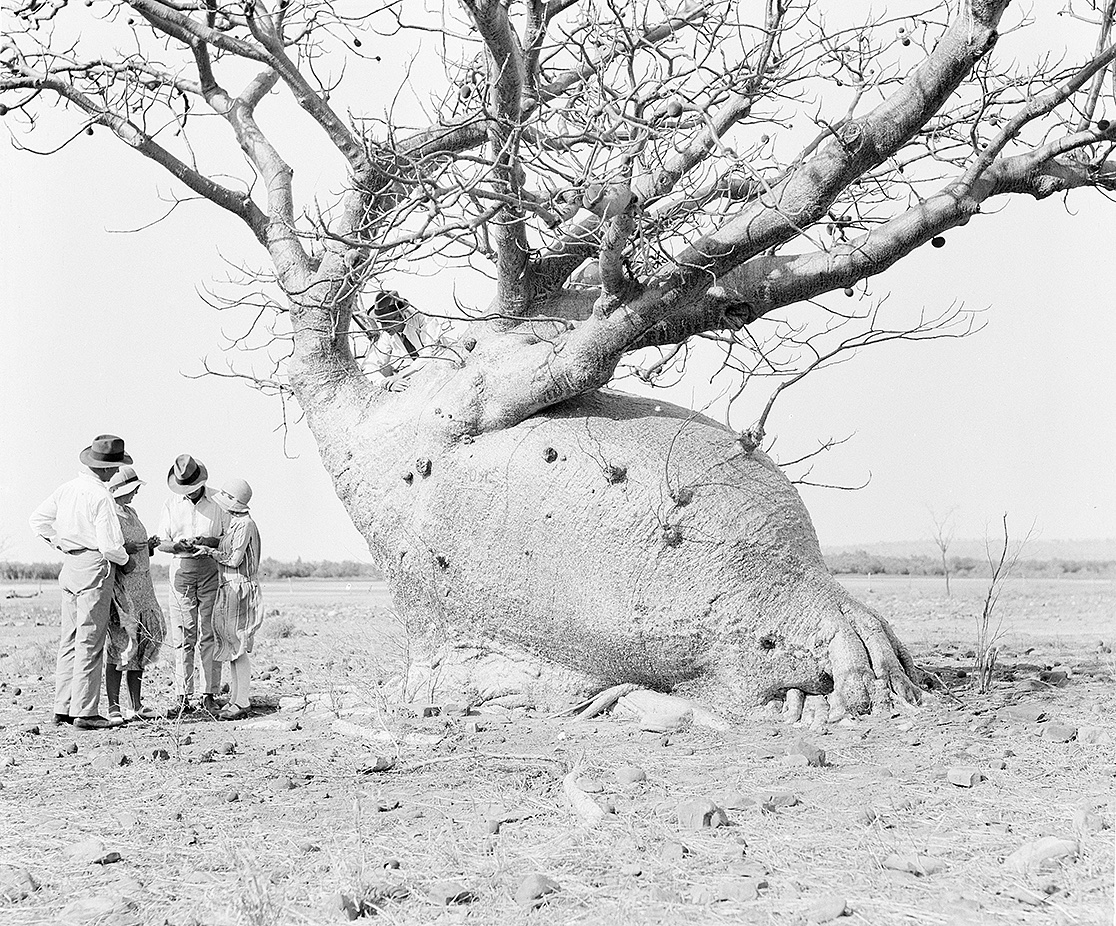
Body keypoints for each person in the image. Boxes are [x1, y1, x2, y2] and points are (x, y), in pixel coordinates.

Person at [28, 434, 138, 731]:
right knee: (91, 639)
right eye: (115, 466)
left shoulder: (67, 489)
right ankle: (86, 711)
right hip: (94, 566)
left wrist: (60, 543)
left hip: (71, 565)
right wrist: (127, 561)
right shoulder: (101, 495)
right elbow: (111, 546)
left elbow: (37, 520)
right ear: (103, 469)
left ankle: (63, 708)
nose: (116, 472)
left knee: (70, 639)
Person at [157, 454, 228, 715]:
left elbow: (230, 538)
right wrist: (177, 546)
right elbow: (161, 542)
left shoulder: (219, 502)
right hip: (182, 571)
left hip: (211, 570)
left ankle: (209, 693)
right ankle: (183, 695)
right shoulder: (170, 504)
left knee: (210, 633)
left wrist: (208, 542)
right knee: (183, 635)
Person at [104, 466, 167, 722]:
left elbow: (139, 550)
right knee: (120, 645)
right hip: (123, 588)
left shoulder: (132, 513)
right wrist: (125, 548)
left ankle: (136, 704)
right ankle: (113, 706)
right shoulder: (109, 516)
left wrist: (147, 547)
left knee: (141, 643)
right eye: (133, 490)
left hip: (143, 586)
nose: (135, 494)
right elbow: (109, 551)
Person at [210, 478, 262, 721]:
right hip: (231, 586)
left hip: (239, 587)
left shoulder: (244, 525)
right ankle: (236, 698)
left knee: (237, 645)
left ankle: (242, 700)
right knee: (232, 645)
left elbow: (233, 559)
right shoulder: (236, 524)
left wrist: (210, 552)